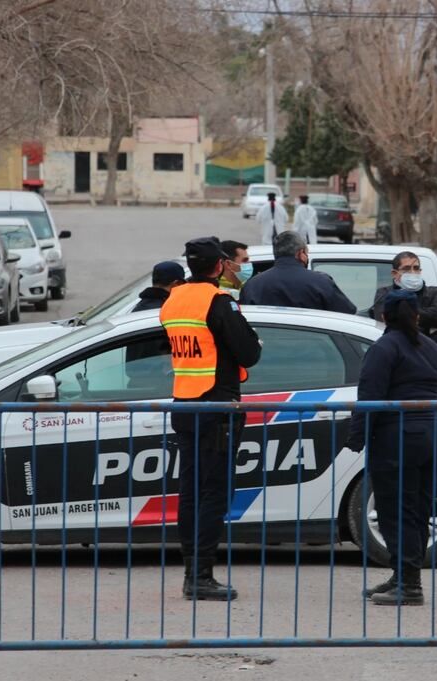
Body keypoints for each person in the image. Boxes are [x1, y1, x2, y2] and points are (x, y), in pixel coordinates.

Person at [160, 237, 262, 600]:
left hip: (185, 403)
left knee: (189, 493)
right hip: (217, 406)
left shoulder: (174, 300)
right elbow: (248, 353)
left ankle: (192, 571)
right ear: (219, 265)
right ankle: (201, 576)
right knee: (214, 493)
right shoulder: (218, 302)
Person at [346, 290, 437, 606]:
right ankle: (403, 574)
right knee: (418, 509)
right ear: (417, 315)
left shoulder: (383, 348)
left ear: (383, 316)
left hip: (398, 438)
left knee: (395, 511)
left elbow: (370, 397)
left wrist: (356, 438)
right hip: (432, 436)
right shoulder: (433, 349)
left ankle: (410, 585)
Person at [239, 231, 356, 313]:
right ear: (300, 254)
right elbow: (347, 313)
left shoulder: (252, 285)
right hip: (315, 346)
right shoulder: (321, 282)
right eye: (306, 252)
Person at [370, 251, 437, 345]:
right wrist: (425, 321)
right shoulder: (384, 293)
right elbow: (382, 318)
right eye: (406, 269)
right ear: (394, 273)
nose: (412, 272)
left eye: (416, 268)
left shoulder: (433, 292)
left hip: (428, 348)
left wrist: (401, 313)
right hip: (396, 347)